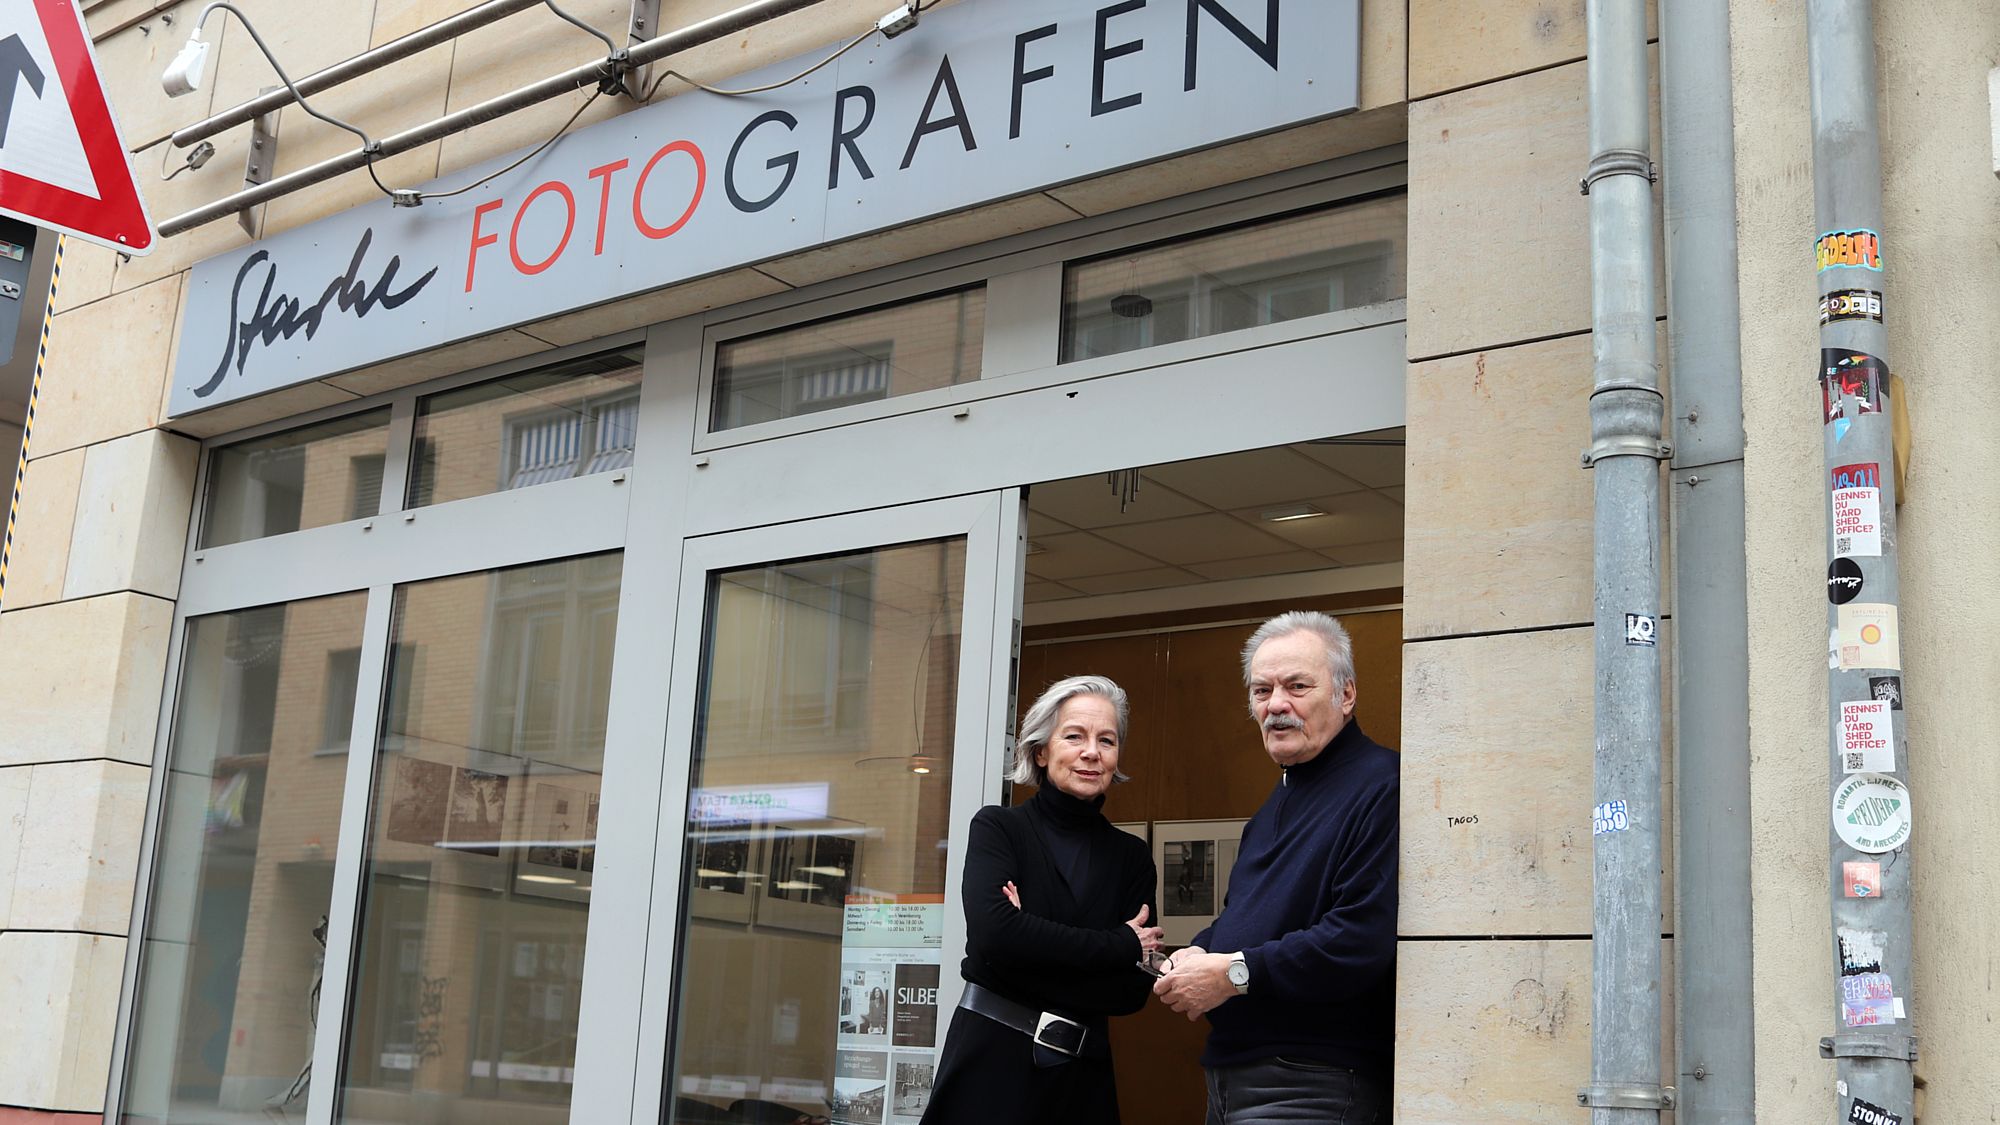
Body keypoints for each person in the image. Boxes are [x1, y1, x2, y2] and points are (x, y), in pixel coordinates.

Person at [1151, 611, 1399, 1124]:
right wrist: (1199, 952)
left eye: (1297, 686)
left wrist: (1234, 973)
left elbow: (1360, 937)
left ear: (1346, 695)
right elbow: (1251, 918)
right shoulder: (1274, 804)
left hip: (1315, 1080)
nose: (1276, 705)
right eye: (1261, 691)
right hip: (1229, 1075)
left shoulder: (1382, 786)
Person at [920, 675, 1163, 1124]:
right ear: (1041, 750)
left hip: (1081, 1080)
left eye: (1106, 740)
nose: (1092, 751)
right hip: (989, 1065)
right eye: (1075, 736)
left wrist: (1024, 947)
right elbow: (995, 937)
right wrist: (1120, 944)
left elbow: (1130, 990)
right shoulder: (998, 829)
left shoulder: (1131, 857)